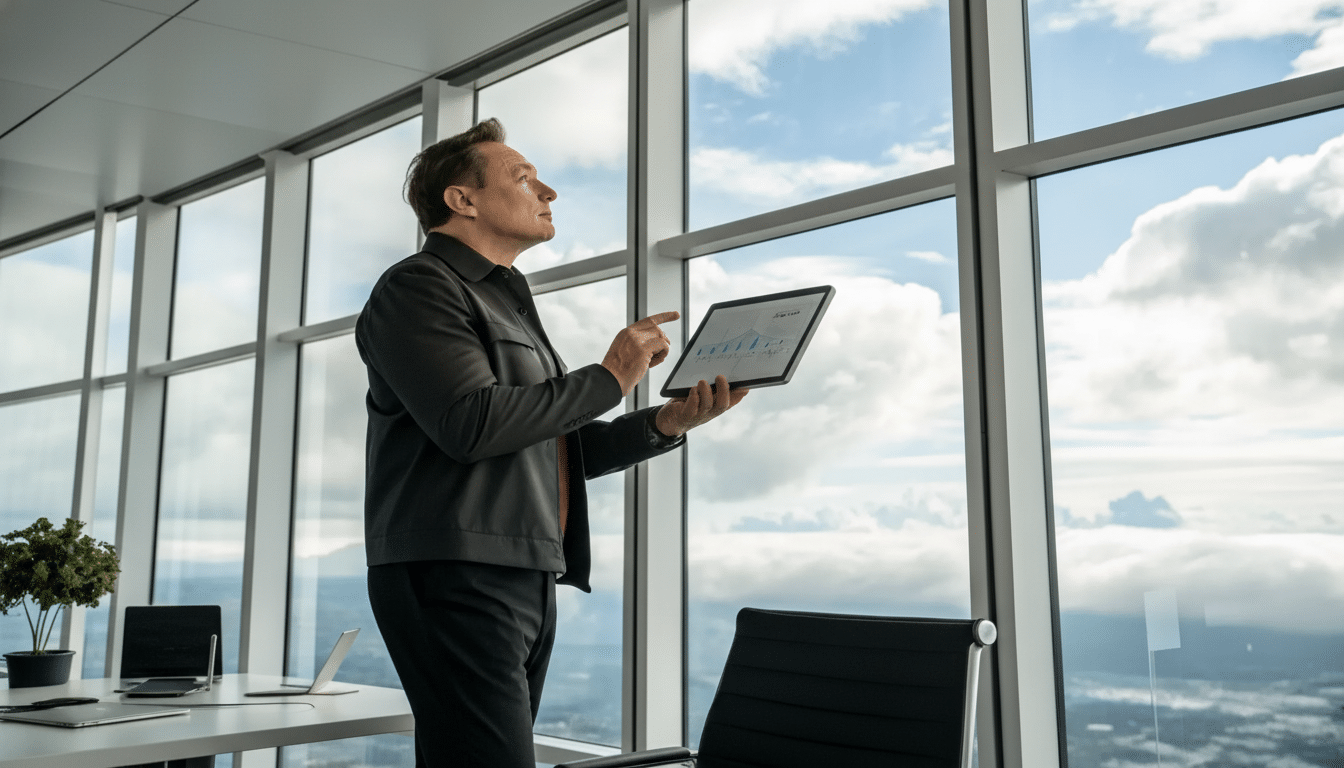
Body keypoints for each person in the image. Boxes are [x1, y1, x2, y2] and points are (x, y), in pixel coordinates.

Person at [356, 117, 747, 768]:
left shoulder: (509, 306)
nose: (549, 192)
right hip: (454, 569)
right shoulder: (417, 287)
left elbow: (549, 450)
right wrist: (611, 376)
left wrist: (665, 425)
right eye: (524, 177)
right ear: (463, 199)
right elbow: (472, 425)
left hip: (523, 571)